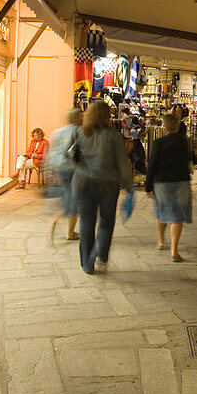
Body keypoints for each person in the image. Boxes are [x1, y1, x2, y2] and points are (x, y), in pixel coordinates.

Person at [71, 100, 134, 274]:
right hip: (107, 184)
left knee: (86, 222)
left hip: (82, 182)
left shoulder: (79, 132)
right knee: (106, 222)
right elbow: (122, 162)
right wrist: (129, 185)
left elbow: (70, 155)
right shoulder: (113, 135)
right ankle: (99, 255)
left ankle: (86, 263)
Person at [144, 113, 194, 261]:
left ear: (164, 126)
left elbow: (152, 165)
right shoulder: (185, 141)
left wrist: (148, 186)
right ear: (178, 126)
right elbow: (192, 159)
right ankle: (174, 250)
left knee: (161, 211)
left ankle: (160, 240)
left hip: (162, 182)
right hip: (181, 181)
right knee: (177, 215)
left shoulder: (159, 142)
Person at [45, 108, 83, 244]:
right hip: (73, 168)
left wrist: (51, 172)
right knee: (73, 199)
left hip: (60, 168)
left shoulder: (57, 132)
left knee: (70, 196)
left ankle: (70, 231)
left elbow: (51, 153)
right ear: (76, 118)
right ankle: (66, 229)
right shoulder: (78, 131)